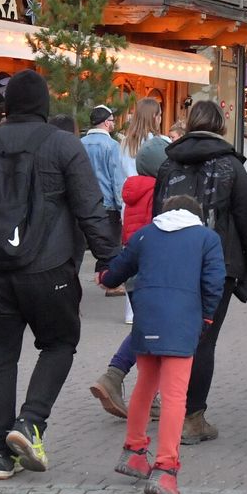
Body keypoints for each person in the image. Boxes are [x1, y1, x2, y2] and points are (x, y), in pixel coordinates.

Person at [0, 69, 120, 479]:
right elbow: (89, 209)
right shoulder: (64, 146)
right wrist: (110, 262)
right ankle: (30, 422)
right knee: (60, 342)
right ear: (44, 106)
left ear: (7, 108)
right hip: (50, 269)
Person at [100, 194, 225, 494]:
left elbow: (117, 271)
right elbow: (214, 282)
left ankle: (134, 451)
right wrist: (206, 317)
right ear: (197, 216)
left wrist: (105, 276)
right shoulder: (207, 238)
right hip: (182, 322)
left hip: (147, 318)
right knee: (174, 397)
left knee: (145, 385)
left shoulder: (145, 234)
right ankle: (166, 470)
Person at [154, 100, 247, 445]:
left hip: (172, 260)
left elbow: (156, 210)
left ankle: (169, 406)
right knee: (204, 340)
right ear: (220, 126)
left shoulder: (169, 164)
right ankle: (192, 416)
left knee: (175, 336)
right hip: (217, 264)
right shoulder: (231, 166)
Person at [90, 135, 171, 418]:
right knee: (159, 333)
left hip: (134, 270)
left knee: (146, 329)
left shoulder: (133, 190)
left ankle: (116, 378)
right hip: (153, 271)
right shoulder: (159, 193)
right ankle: (119, 379)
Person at [82, 105, 127, 239]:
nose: (113, 123)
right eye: (112, 120)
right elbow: (117, 181)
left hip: (84, 205)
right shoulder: (112, 146)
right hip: (107, 208)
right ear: (107, 122)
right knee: (110, 252)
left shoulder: (80, 143)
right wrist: (121, 209)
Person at [120, 98, 165, 178]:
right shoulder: (160, 142)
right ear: (154, 116)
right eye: (160, 115)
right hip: (150, 187)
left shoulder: (125, 141)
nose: (160, 119)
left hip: (129, 187)